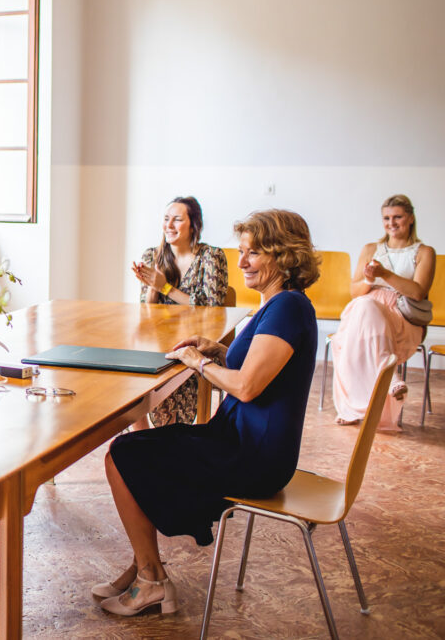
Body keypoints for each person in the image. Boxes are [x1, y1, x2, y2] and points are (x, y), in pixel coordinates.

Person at [92, 209, 319, 617]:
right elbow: (257, 364)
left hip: (253, 455)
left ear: (283, 256)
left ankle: (150, 580)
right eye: (243, 251)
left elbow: (248, 386)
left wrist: (200, 363)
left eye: (253, 254)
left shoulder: (287, 308)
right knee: (127, 448)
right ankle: (147, 565)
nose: (243, 262)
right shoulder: (280, 304)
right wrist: (219, 351)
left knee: (121, 455)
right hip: (240, 440)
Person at [331, 194, 436, 430]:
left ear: (410, 218)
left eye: (397, 217)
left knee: (363, 313)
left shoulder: (424, 252)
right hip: (365, 313)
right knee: (364, 306)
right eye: (386, 218)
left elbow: (418, 292)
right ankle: (384, 382)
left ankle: (359, 403)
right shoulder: (371, 249)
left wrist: (385, 275)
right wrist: (369, 279)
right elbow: (354, 291)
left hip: (401, 317)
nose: (392, 223)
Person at [130, 196, 228, 426]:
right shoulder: (152, 255)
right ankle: (143, 441)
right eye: (166, 219)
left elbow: (211, 308)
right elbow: (147, 311)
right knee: (131, 372)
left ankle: (172, 435)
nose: (169, 226)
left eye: (177, 220)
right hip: (158, 339)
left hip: (196, 341)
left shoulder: (211, 257)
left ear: (194, 225)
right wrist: (153, 286)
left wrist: (165, 286)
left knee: (175, 369)